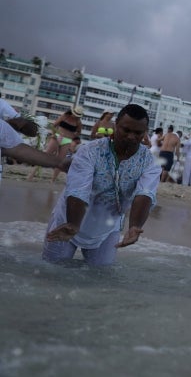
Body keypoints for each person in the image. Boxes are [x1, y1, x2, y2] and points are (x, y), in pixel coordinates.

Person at [42, 104, 160, 266]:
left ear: (145, 132)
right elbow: (78, 190)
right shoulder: (90, 151)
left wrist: (134, 226)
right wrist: (73, 224)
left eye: (138, 133)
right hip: (69, 219)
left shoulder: (149, 161)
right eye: (126, 130)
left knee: (100, 276)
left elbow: (144, 194)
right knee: (51, 271)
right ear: (115, 126)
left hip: (107, 228)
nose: (132, 137)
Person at [0, 119, 70, 186]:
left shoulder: (78, 122)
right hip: (57, 136)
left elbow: (17, 149)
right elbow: (53, 125)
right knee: (48, 155)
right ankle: (31, 175)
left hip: (68, 139)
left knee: (60, 161)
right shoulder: (65, 116)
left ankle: (53, 180)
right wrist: (54, 134)